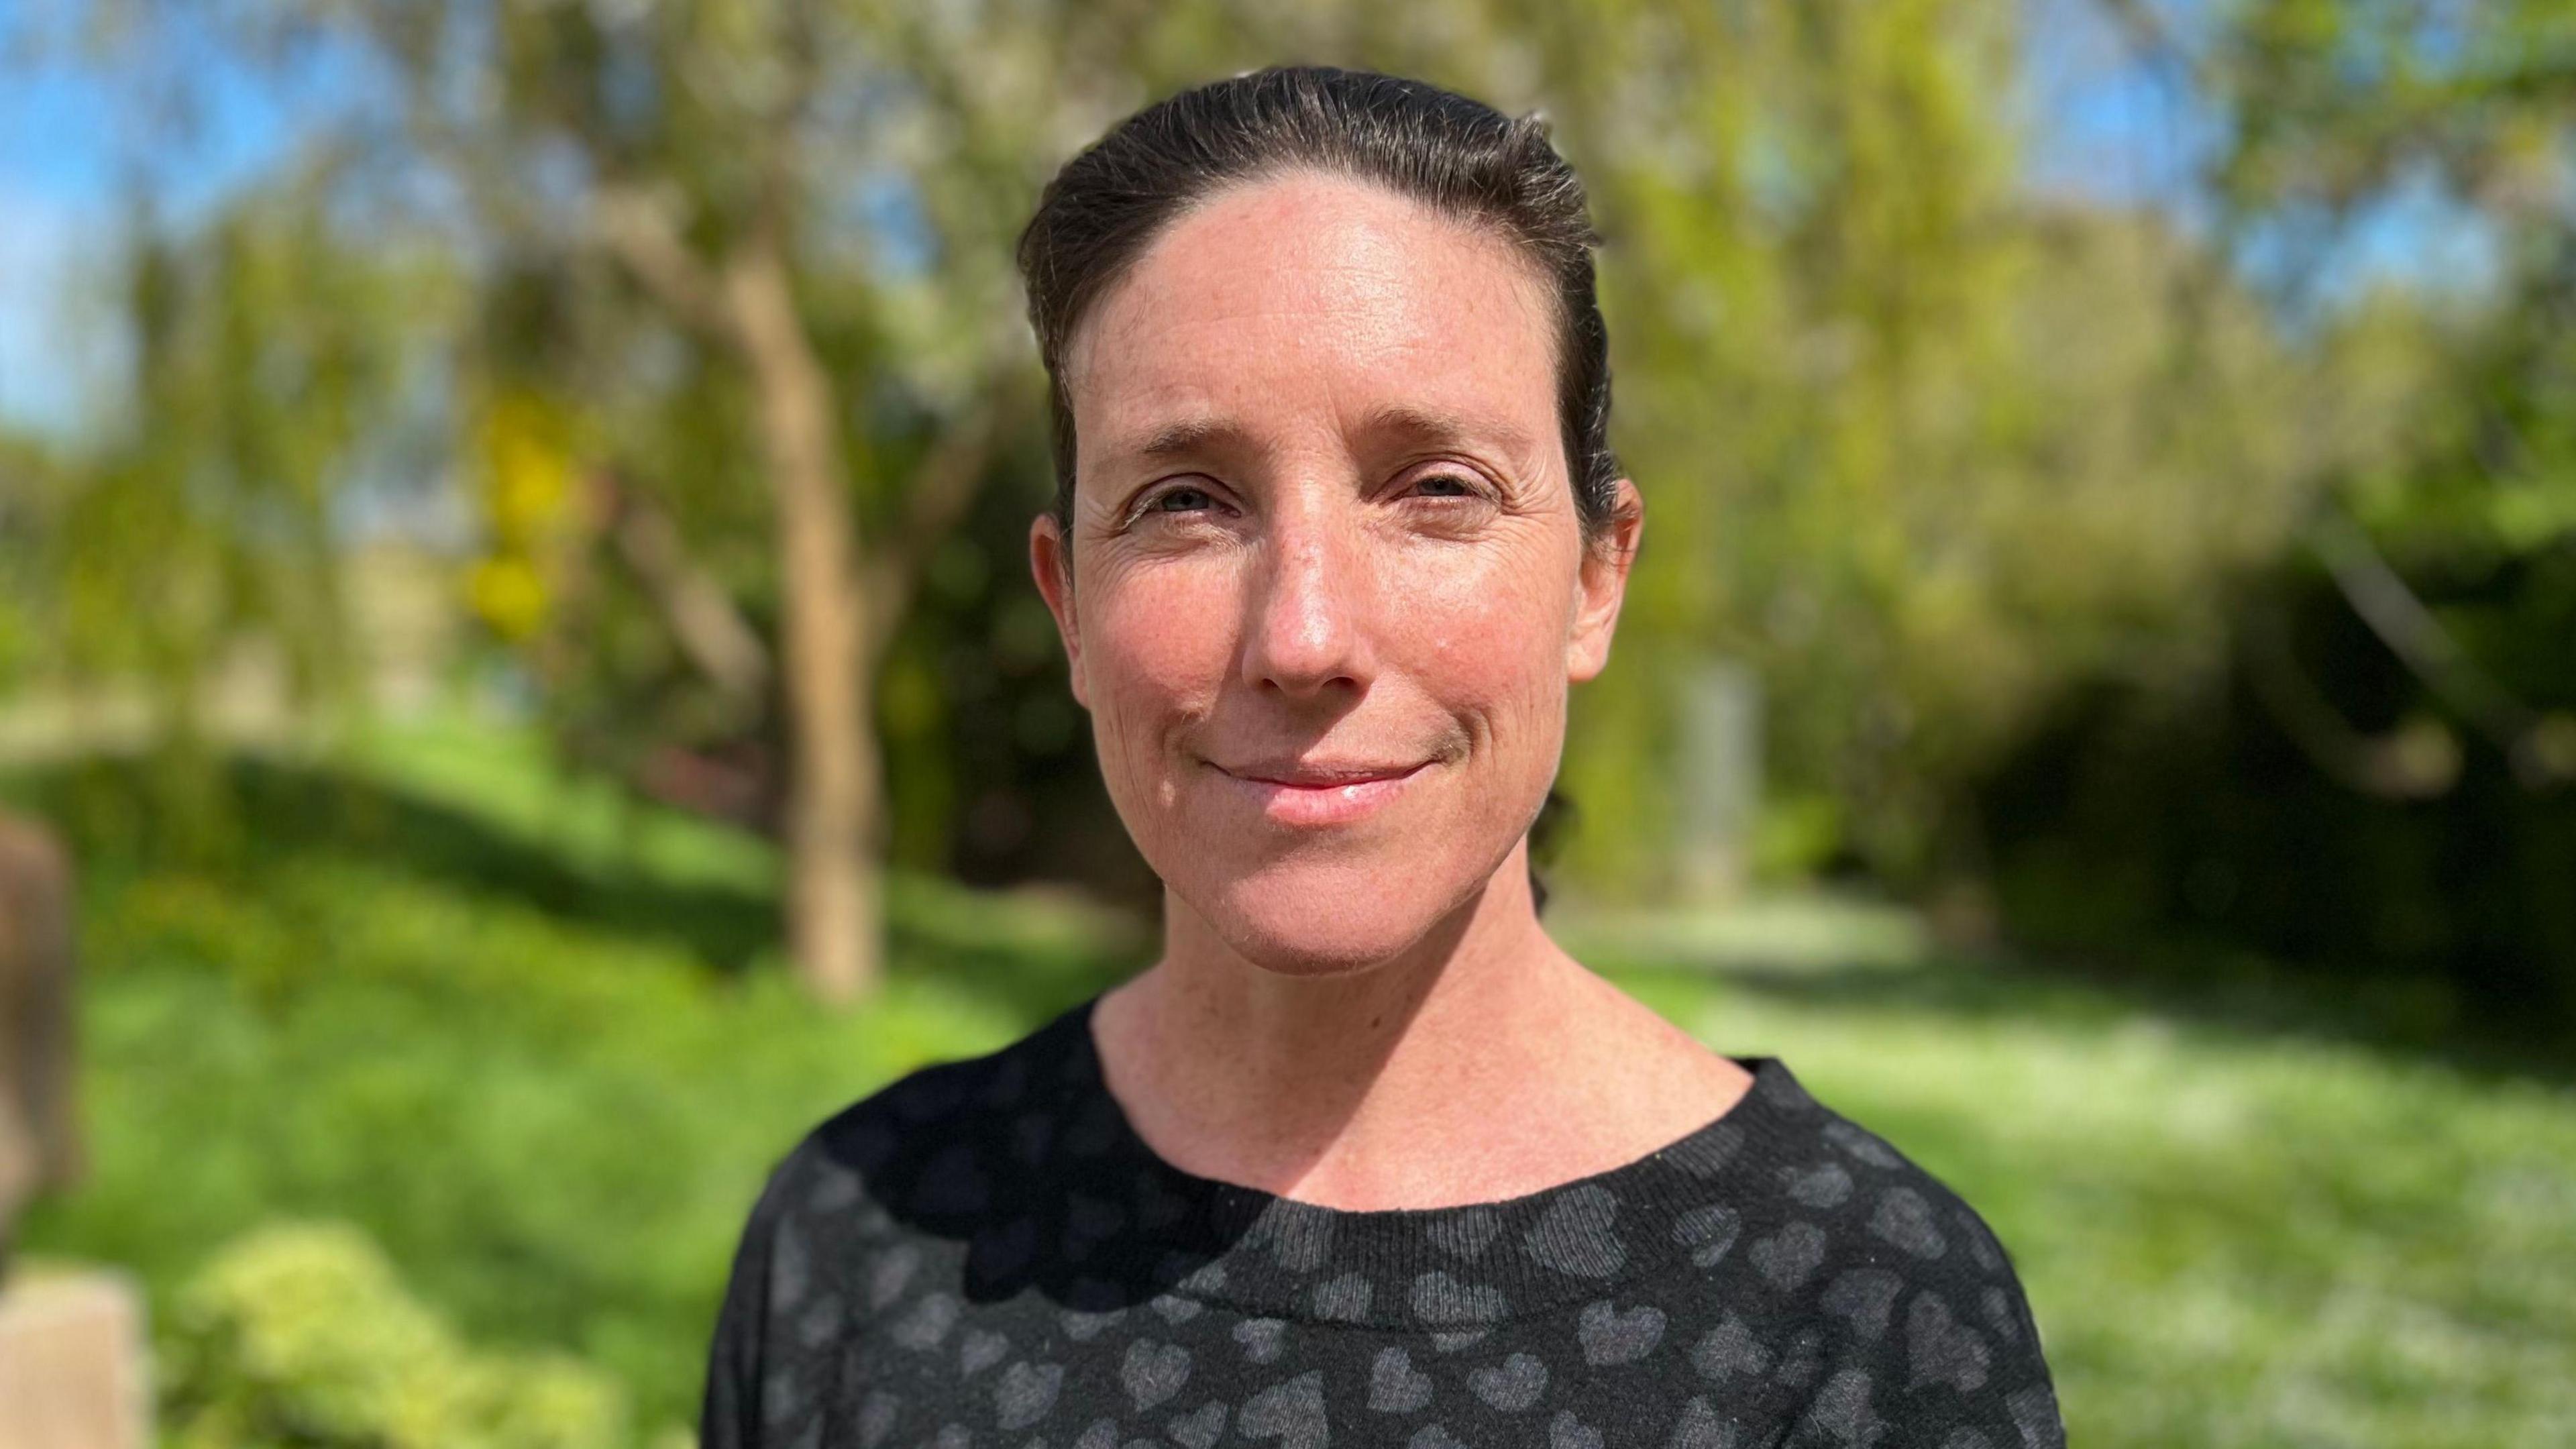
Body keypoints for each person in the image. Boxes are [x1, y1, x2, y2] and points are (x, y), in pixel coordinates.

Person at [700, 66, 2065, 1449]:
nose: (1304, 634)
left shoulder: (1865, 1327)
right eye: (1186, 502)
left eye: (1436, 492)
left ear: (1597, 576)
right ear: (1069, 606)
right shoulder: (858, 1241)